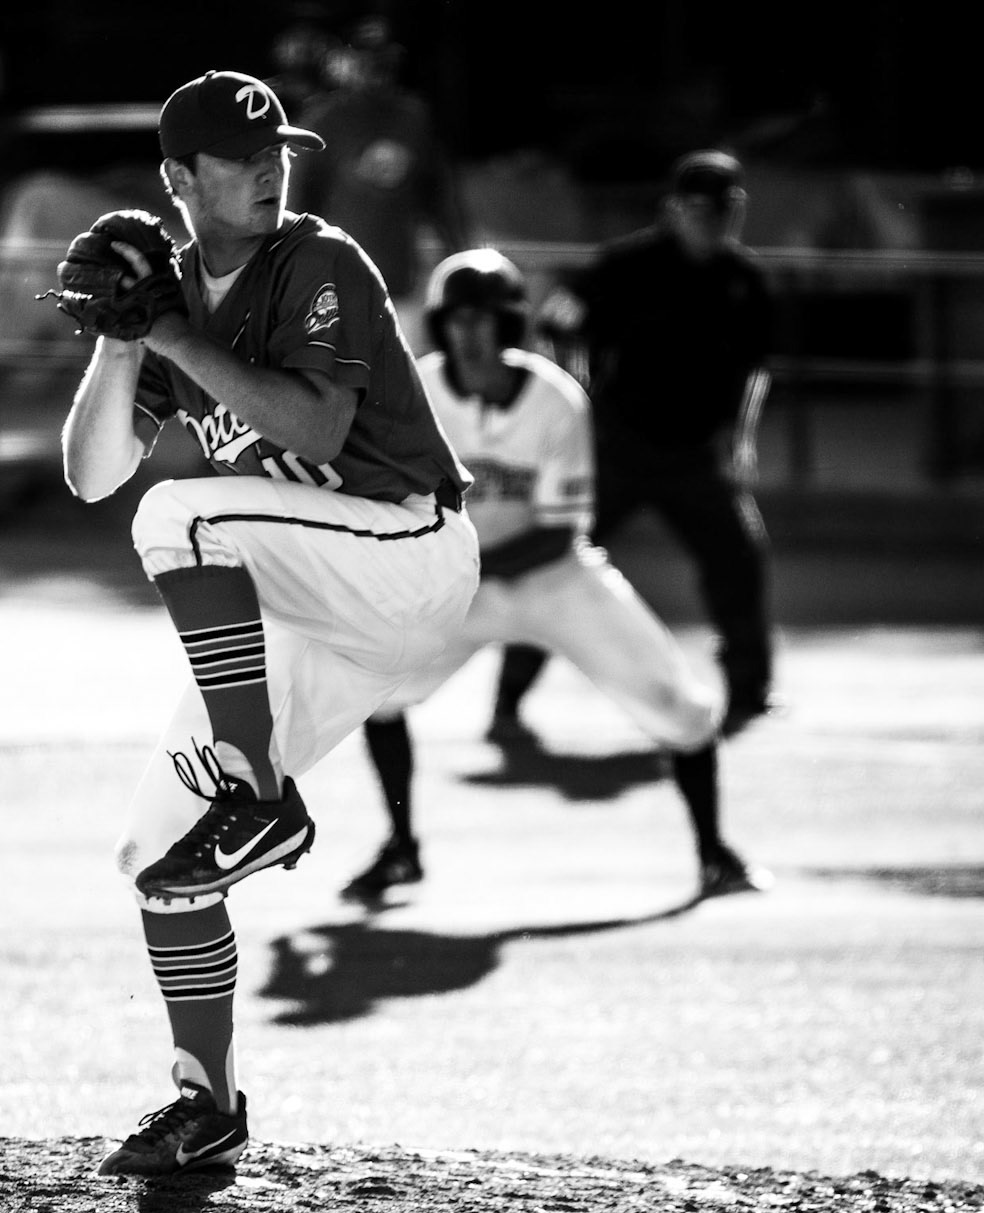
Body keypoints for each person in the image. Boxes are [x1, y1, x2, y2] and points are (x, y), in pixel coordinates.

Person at [60, 68, 479, 1176]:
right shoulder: (179, 298)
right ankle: (209, 1104)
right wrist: (119, 341)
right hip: (316, 608)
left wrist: (178, 341)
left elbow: (316, 419)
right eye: (243, 156)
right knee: (158, 857)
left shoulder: (319, 261)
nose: (269, 167)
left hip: (406, 553)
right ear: (177, 179)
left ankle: (258, 797)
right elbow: (89, 473)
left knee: (181, 516)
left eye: (277, 149)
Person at [344, 247, 769, 903]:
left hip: (553, 579)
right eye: (458, 318)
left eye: (486, 318)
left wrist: (454, 567)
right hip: (456, 587)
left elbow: (557, 531)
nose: (471, 333)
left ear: (511, 325)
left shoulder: (554, 398)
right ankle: (401, 849)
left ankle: (716, 856)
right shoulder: (413, 391)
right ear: (440, 323)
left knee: (681, 709)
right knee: (377, 695)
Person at [491, 150, 775, 742]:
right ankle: (508, 701)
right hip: (614, 450)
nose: (709, 221)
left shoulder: (745, 282)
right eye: (697, 209)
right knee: (553, 562)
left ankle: (750, 691)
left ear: (737, 211)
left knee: (740, 560)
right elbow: (555, 327)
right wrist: (572, 411)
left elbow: (755, 370)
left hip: (695, 453)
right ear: (674, 209)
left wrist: (741, 440)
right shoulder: (626, 266)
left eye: (720, 210)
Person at [288, 16, 465, 307]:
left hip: (398, 282)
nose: (378, 71)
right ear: (347, 62)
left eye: (385, 62)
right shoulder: (323, 118)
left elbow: (440, 196)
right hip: (335, 283)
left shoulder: (413, 116)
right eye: (368, 61)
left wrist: (458, 254)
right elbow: (297, 202)